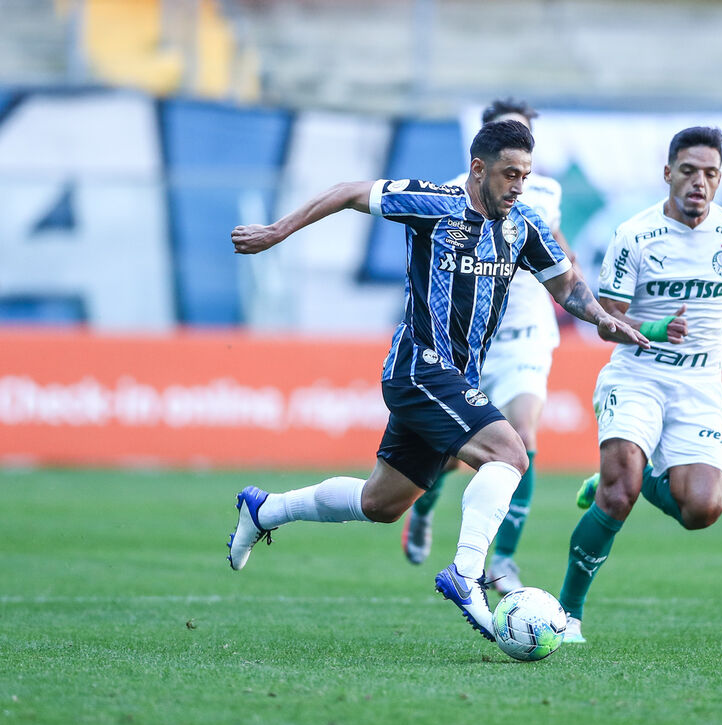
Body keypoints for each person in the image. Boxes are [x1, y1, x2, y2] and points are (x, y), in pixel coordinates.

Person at [226, 120, 648, 645]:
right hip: (418, 368)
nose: (518, 185)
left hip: (455, 379)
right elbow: (346, 191)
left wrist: (600, 318)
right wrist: (276, 232)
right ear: (479, 169)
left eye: (525, 175)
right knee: (511, 453)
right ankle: (466, 573)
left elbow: (566, 285)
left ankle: (264, 509)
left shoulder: (524, 225)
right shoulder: (435, 202)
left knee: (381, 504)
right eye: (509, 174)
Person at [559, 127, 722, 643]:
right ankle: (567, 614)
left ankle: (615, 480)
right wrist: (655, 329)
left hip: (700, 386)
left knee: (701, 509)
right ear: (668, 174)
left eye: (710, 173)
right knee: (619, 496)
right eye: (689, 171)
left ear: (719, 179)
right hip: (637, 374)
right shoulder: (633, 235)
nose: (699, 182)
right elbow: (605, 317)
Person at [401, 99, 575, 596]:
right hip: (469, 345)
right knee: (453, 457)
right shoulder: (455, 193)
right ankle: (425, 508)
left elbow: (553, 244)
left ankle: (503, 559)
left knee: (523, 438)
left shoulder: (545, 191)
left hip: (526, 331)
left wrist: (568, 265)